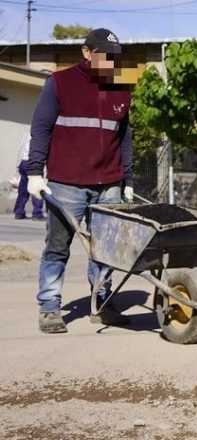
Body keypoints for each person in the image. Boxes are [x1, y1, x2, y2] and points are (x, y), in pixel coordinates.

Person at [25, 28, 135, 334]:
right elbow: (41, 128)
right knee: (58, 247)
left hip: (110, 182)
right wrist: (34, 172)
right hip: (67, 182)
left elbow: (125, 136)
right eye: (104, 54)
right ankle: (49, 306)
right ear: (87, 53)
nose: (110, 61)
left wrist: (127, 177)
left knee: (107, 249)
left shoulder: (121, 86)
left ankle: (102, 303)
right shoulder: (60, 82)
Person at [14, 134, 45, 220]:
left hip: (24, 162)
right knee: (36, 189)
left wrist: (18, 165)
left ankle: (19, 212)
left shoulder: (26, 134)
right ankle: (37, 213)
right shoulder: (43, 135)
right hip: (34, 163)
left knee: (23, 190)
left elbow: (20, 149)